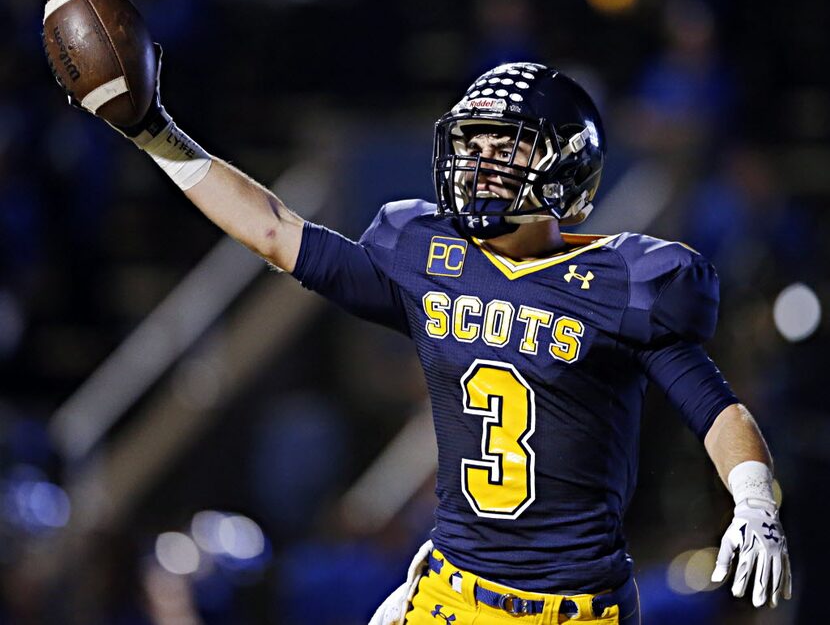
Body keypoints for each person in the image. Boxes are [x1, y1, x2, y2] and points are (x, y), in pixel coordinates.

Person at [62, 54, 791, 623]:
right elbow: (275, 229)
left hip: (568, 613)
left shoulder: (626, 283)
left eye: (504, 147)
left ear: (562, 162)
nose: (477, 164)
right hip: (447, 592)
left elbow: (717, 408)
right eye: (471, 145)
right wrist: (158, 133)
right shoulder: (428, 258)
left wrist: (754, 496)